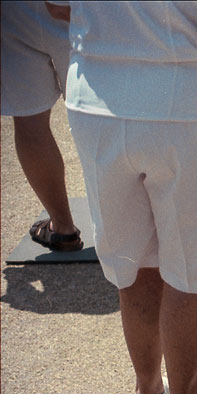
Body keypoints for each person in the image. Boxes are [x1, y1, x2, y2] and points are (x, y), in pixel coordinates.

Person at [47, 0, 197, 394]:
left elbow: (57, 5)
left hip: (94, 100)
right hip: (182, 102)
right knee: (190, 266)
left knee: (133, 257)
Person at [1, 1, 83, 251]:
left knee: (30, 122)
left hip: (17, 10)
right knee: (104, 116)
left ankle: (62, 227)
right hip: (82, 11)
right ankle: (124, 229)